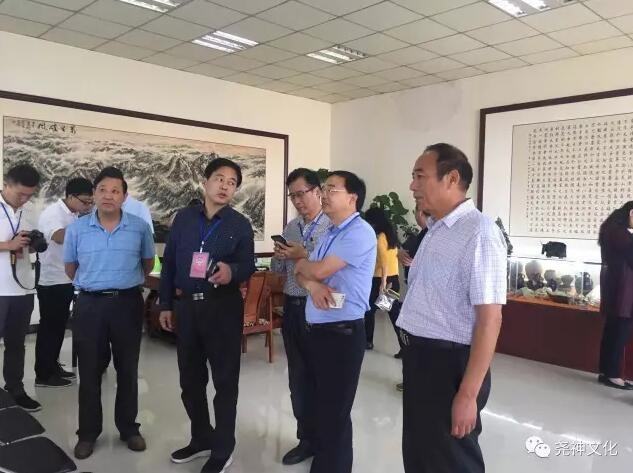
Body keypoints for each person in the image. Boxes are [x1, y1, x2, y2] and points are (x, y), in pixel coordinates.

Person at [396, 143, 506, 473]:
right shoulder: (436, 229)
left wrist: (468, 395)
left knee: (451, 460)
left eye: (420, 176)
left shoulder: (480, 232)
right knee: (420, 454)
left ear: (452, 178)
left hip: (449, 366)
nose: (413, 185)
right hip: (420, 359)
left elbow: (490, 319)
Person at [158, 158, 255, 473]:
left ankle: (223, 449)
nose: (225, 186)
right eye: (219, 178)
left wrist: (232, 271)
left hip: (222, 307)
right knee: (190, 380)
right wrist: (165, 304)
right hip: (187, 308)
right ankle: (201, 437)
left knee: (225, 382)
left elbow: (248, 264)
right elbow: (170, 263)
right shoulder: (184, 219)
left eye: (232, 182)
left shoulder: (239, 224)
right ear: (206, 182)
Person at [63, 166, 155, 460]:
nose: (108, 195)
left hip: (127, 304)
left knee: (128, 370)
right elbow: (70, 268)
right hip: (90, 305)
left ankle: (129, 429)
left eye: (115, 191)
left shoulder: (139, 228)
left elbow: (148, 264)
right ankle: (88, 434)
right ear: (94, 193)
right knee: (90, 371)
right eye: (102, 189)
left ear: (124, 196)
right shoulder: (77, 229)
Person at [294, 171, 376, 473]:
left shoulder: (360, 232)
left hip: (341, 334)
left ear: (352, 197)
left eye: (331, 189)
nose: (323, 195)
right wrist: (312, 285)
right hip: (317, 330)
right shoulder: (330, 232)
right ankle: (323, 459)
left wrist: (307, 268)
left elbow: (314, 269)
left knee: (335, 411)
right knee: (319, 403)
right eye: (323, 189)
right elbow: (301, 274)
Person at [271, 168, 330, 466]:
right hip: (293, 307)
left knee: (323, 379)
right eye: (292, 196)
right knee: (298, 378)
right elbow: (279, 272)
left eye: (301, 194)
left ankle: (326, 440)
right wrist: (279, 255)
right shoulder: (292, 227)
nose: (297, 201)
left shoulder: (332, 226)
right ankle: (305, 439)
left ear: (317, 191)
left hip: (320, 309)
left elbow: (332, 269)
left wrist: (301, 253)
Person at [34, 177, 94, 388]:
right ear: (71, 196)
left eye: (90, 203)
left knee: (59, 327)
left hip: (66, 278)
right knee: (50, 328)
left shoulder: (74, 214)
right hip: (52, 280)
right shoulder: (53, 213)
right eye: (85, 202)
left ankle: (52, 365)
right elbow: (59, 236)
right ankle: (43, 374)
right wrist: (86, 229)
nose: (88, 206)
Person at [0, 164, 42, 412]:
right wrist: (8, 245)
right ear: (6, 184)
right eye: (20, 194)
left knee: (17, 344)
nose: (24, 199)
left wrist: (31, 245)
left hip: (23, 288)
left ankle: (15, 388)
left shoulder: (30, 211)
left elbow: (29, 243)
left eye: (29, 195)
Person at [597, 201, 633, 390]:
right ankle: (613, 375)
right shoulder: (621, 235)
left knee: (612, 331)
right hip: (624, 292)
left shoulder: (610, 229)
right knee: (620, 332)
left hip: (614, 288)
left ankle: (606, 372)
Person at [362, 206, 400, 350]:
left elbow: (384, 261)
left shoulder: (380, 237)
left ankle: (368, 341)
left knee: (370, 310)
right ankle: (404, 347)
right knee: (392, 313)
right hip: (393, 278)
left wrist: (383, 283)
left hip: (381, 280)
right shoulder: (390, 236)